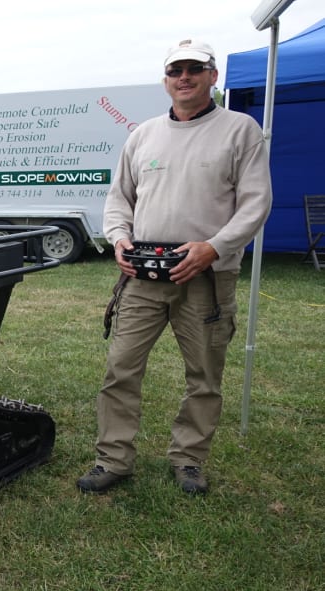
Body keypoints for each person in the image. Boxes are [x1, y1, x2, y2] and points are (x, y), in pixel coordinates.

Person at [76, 39, 272, 495]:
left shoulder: (240, 130)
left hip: (206, 275)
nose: (184, 77)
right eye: (175, 70)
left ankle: (188, 459)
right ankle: (114, 459)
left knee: (204, 374)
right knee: (120, 368)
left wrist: (214, 247)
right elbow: (118, 199)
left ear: (212, 76)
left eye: (194, 69)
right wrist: (119, 239)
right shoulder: (143, 135)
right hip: (142, 274)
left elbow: (256, 203)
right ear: (165, 79)